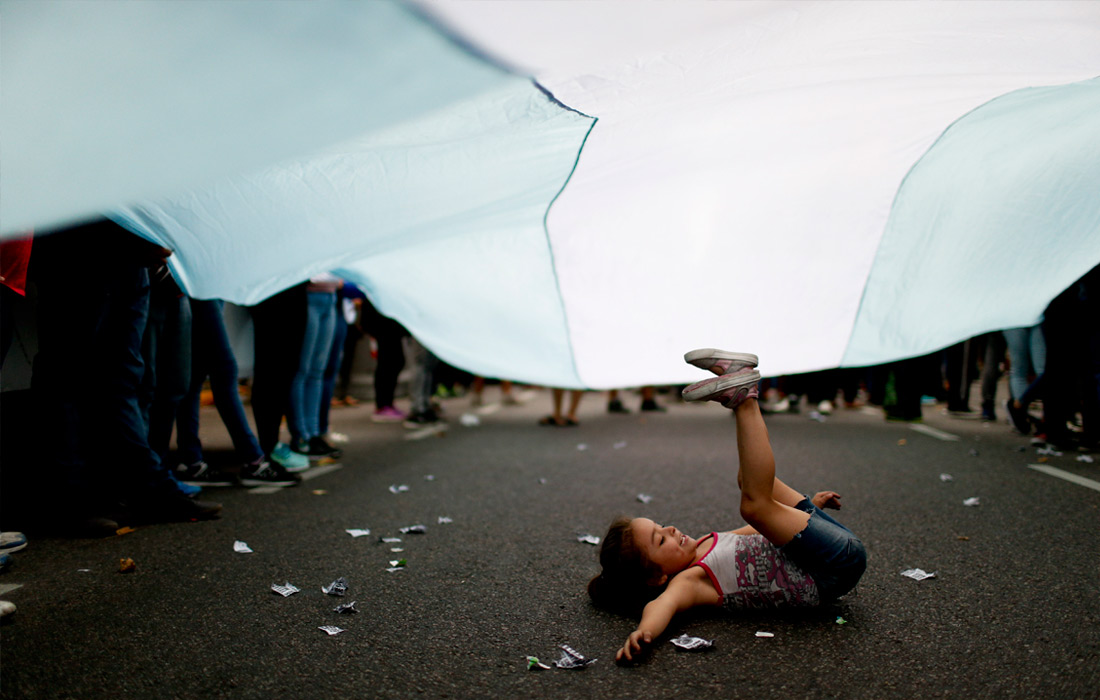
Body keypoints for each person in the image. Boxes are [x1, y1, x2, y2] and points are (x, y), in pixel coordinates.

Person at [587, 348, 867, 663]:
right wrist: (644, 632)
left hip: (819, 547)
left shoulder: (707, 543)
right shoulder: (689, 582)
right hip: (829, 572)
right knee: (754, 505)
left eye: (660, 526)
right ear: (656, 577)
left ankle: (737, 379)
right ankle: (743, 398)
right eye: (660, 539)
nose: (670, 529)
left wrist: (807, 510)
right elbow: (661, 606)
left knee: (748, 483)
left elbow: (755, 533)